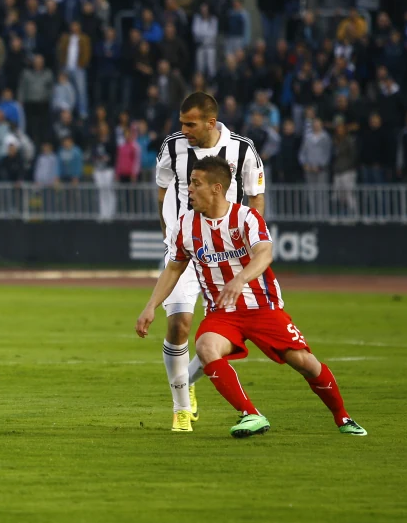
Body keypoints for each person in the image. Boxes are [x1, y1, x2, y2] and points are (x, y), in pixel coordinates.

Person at [136, 155, 367, 438]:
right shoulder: (185, 225)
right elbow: (173, 269)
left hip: (262, 308)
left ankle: (343, 418)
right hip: (222, 314)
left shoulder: (246, 217)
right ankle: (251, 414)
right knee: (206, 347)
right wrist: (150, 307)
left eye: (196, 184)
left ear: (216, 188)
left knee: (304, 362)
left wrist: (240, 279)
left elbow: (265, 254)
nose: (190, 190)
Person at [154, 92, 266, 432]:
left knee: (219, 337)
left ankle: (185, 382)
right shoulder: (171, 148)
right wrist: (171, 233)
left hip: (229, 258)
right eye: (181, 123)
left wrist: (250, 243)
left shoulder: (242, 149)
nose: (183, 129)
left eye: (190, 124)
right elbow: (161, 191)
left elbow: (256, 197)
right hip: (186, 249)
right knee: (179, 325)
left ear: (210, 123)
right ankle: (181, 409)